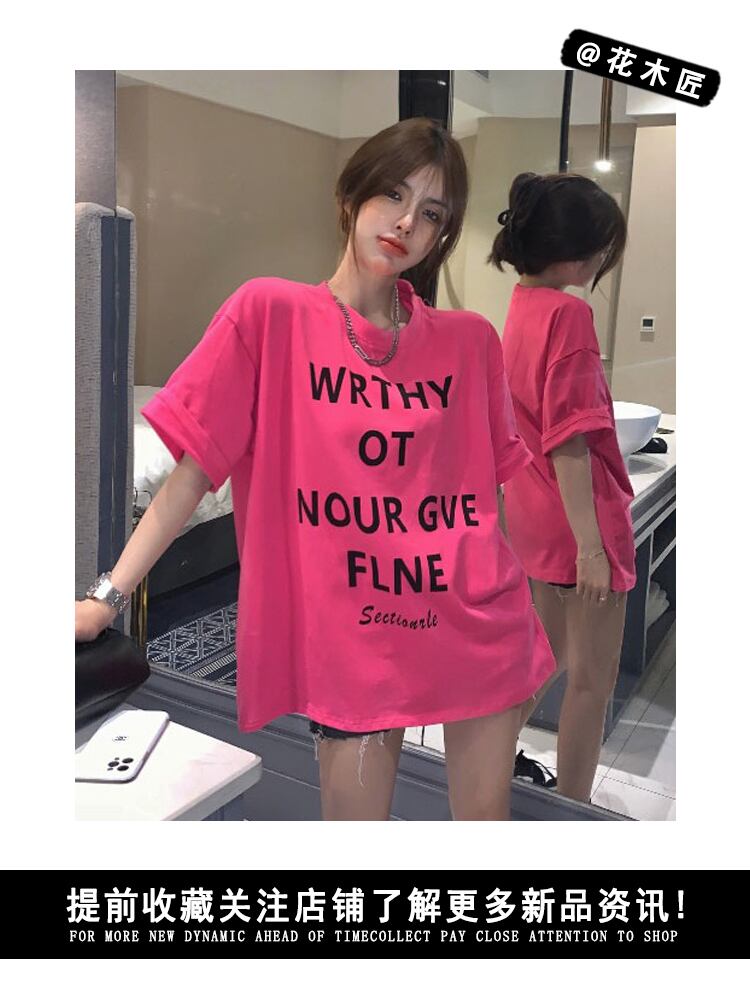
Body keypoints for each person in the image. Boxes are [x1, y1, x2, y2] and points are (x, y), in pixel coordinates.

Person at [76, 118, 555, 821]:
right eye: (393, 194)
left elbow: (491, 493)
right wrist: (107, 598)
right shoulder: (269, 315)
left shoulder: (469, 342)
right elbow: (193, 474)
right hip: (356, 640)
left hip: (476, 618)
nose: (407, 223)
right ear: (350, 197)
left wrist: (533, 607)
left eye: (432, 214)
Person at [487, 171, 635, 803]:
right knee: (591, 683)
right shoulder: (571, 314)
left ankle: (484, 764)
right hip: (581, 519)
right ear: (578, 251)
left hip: (535, 512)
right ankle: (574, 808)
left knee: (544, 657)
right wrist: (593, 548)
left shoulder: (522, 305)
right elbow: (570, 439)